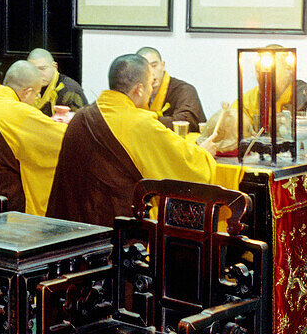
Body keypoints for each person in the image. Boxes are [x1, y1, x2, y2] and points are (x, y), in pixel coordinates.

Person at [46, 54, 219, 226]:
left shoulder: (82, 116)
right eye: (150, 84)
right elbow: (187, 166)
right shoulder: (138, 123)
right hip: (113, 233)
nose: (151, 90)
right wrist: (204, 153)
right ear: (139, 89)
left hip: (66, 227)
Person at [0, 60, 67, 216]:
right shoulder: (19, 112)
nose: (37, 98)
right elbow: (62, 139)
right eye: (36, 93)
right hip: (3, 201)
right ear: (27, 92)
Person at [136, 47, 206, 132]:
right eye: (145, 68)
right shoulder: (136, 91)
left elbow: (185, 122)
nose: (151, 72)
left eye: (154, 66)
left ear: (163, 65)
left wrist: (143, 120)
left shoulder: (184, 90)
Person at [27, 48, 87, 116]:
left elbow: (80, 121)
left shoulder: (69, 90)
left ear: (54, 66)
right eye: (33, 70)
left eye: (42, 69)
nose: (38, 74)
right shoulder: (27, 87)